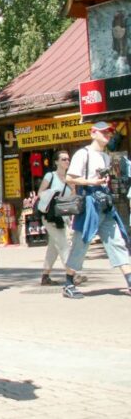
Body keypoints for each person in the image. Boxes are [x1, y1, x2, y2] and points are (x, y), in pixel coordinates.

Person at [62, 122, 131, 299]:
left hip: (104, 203)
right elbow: (70, 178)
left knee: (117, 241)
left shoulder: (105, 156)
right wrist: (91, 182)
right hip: (89, 204)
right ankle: (69, 283)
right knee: (81, 242)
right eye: (104, 132)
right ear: (93, 134)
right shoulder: (82, 154)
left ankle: (130, 281)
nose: (107, 135)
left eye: (109, 132)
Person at [37, 150, 76, 285]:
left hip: (62, 216)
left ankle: (45, 276)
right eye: (63, 159)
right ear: (56, 162)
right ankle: (73, 275)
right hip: (50, 215)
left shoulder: (69, 178)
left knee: (54, 246)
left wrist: (72, 188)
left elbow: (72, 197)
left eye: (68, 159)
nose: (67, 161)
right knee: (63, 244)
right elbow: (40, 192)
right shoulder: (50, 175)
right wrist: (53, 193)